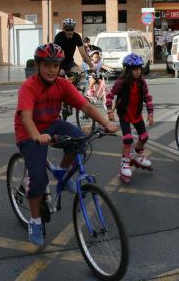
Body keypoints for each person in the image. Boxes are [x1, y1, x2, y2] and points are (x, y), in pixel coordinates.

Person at [14, 43, 118, 246]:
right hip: (29, 131)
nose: (52, 69)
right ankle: (35, 221)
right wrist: (37, 136)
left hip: (52, 124)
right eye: (47, 65)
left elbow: (85, 105)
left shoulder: (63, 84)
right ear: (38, 65)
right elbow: (26, 117)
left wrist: (106, 123)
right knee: (38, 177)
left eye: (55, 65)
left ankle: (62, 171)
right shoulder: (29, 87)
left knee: (79, 140)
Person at [105, 53, 154, 184]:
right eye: (134, 69)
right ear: (128, 70)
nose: (138, 72)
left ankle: (138, 156)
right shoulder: (121, 82)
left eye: (139, 69)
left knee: (144, 137)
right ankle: (125, 163)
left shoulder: (141, 82)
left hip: (137, 114)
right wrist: (110, 110)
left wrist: (150, 114)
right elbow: (109, 95)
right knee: (128, 139)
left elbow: (147, 97)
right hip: (125, 114)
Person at [53, 18, 93, 85]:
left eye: (72, 30)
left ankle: (71, 88)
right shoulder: (59, 36)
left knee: (78, 74)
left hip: (69, 62)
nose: (70, 32)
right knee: (60, 78)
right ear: (63, 29)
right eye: (67, 29)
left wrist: (91, 65)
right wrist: (60, 68)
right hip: (58, 62)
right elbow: (57, 54)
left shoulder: (76, 36)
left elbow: (83, 53)